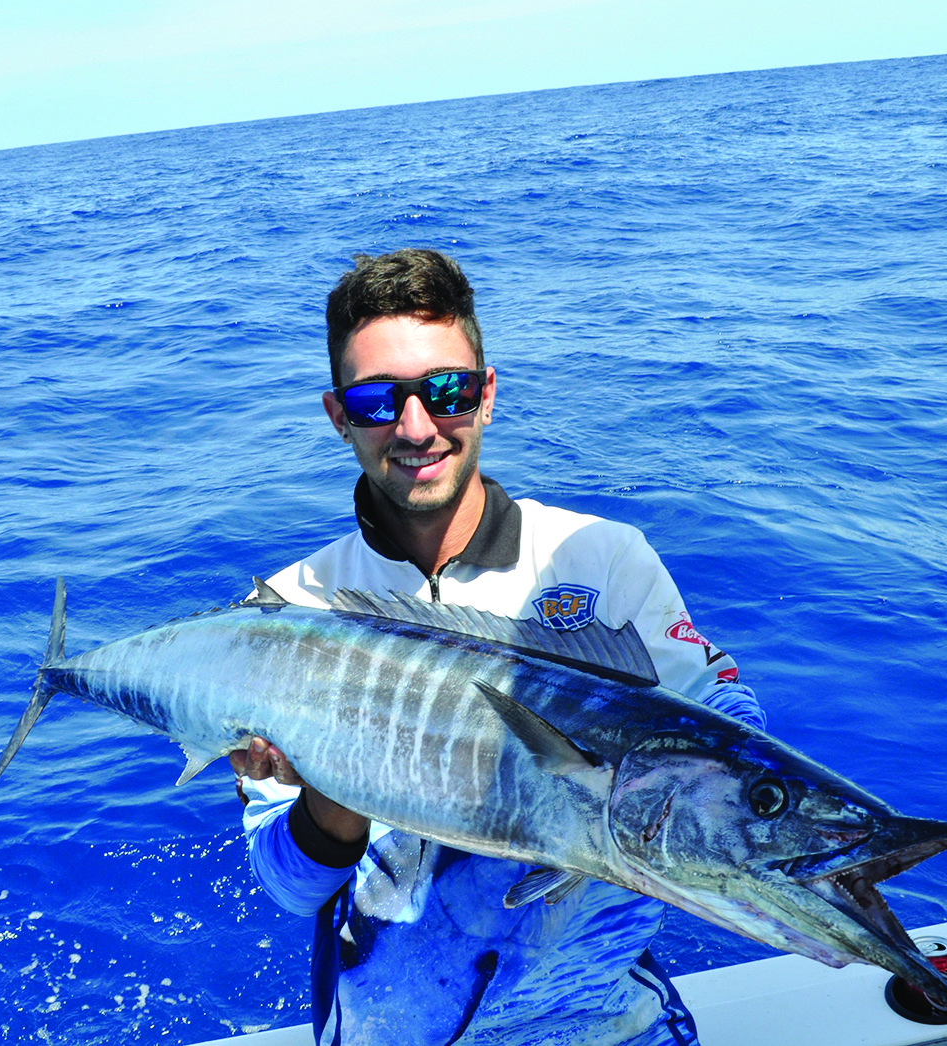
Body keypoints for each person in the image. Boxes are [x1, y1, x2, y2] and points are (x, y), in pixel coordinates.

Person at [229, 249, 765, 1046]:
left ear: (485, 396)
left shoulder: (603, 559)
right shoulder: (284, 612)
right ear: (339, 416)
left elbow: (728, 736)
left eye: (444, 390)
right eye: (378, 402)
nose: (416, 428)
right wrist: (332, 787)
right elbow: (291, 889)